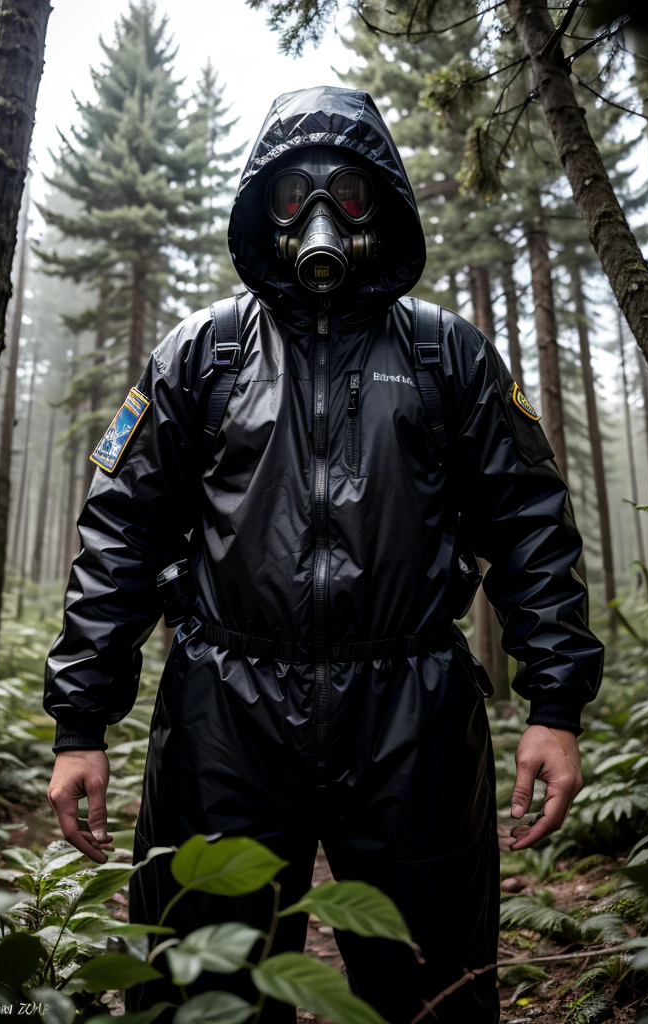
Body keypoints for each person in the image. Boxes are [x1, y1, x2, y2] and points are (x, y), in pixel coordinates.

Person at [44, 85, 605, 1023]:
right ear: (262, 206)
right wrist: (79, 722)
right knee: (201, 984)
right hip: (226, 713)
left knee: (431, 989)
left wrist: (556, 706)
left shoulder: (447, 356)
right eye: (292, 192)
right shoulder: (203, 354)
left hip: (411, 715)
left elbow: (530, 525)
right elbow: (120, 531)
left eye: (345, 190)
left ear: (379, 204)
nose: (318, 216)